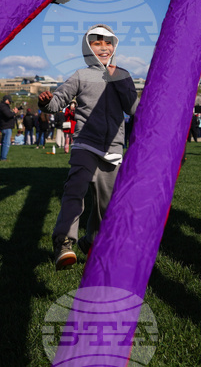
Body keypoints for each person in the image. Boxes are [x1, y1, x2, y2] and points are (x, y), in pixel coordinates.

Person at [38, 24, 138, 270]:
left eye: (108, 43)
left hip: (113, 150)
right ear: (88, 48)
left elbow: (133, 108)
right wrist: (47, 103)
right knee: (75, 192)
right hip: (85, 144)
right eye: (96, 43)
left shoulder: (123, 74)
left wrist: (119, 80)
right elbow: (58, 102)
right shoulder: (80, 75)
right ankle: (63, 243)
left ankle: (91, 241)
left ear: (114, 46)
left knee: (107, 206)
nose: (103, 48)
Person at [0, 96, 16, 160]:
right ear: (6, 100)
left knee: (5, 143)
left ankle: (3, 157)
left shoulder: (3, 106)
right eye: (10, 101)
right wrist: (14, 113)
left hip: (5, 126)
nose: (10, 103)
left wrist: (12, 112)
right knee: (6, 143)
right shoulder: (3, 106)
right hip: (6, 126)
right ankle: (3, 158)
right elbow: (8, 115)